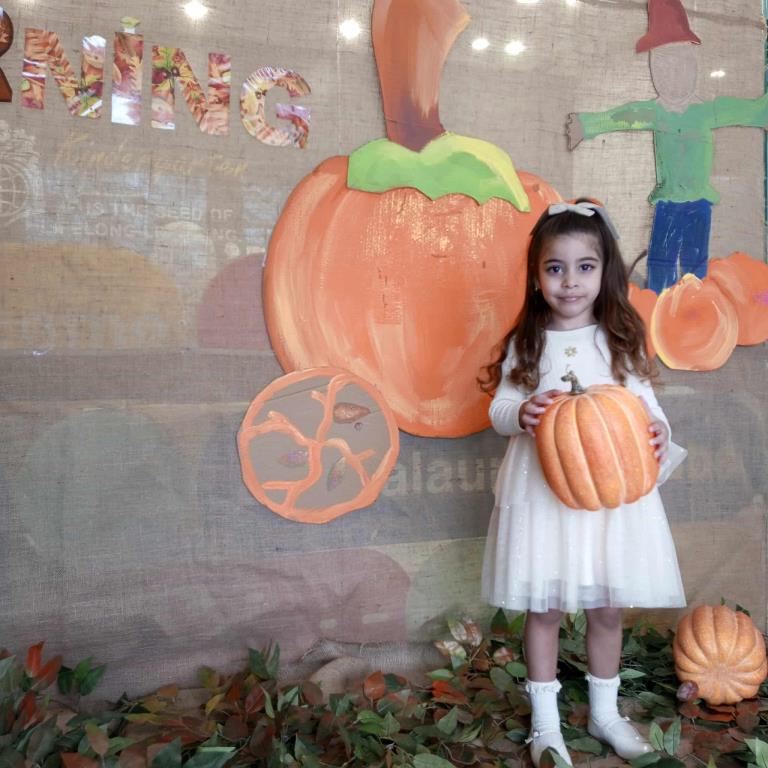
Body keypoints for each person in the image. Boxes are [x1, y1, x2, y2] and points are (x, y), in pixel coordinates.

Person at [478, 200, 686, 766]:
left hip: (606, 501)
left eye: (584, 267)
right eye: (555, 268)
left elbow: (647, 408)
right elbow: (499, 408)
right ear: (536, 277)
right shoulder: (528, 342)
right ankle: (545, 725)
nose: (570, 281)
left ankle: (605, 714)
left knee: (607, 609)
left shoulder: (619, 338)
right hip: (543, 498)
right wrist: (520, 413)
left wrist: (660, 432)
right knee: (544, 609)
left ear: (604, 271)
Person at [566, 0, 768, 294]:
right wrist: (588, 124)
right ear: (653, 67)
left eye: (680, 63)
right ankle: (659, 302)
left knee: (695, 260)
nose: (672, 75)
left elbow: (741, 111)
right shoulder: (655, 112)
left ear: (693, 64)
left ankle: (695, 305)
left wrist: (762, 112)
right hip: (667, 203)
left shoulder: (706, 112)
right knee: (661, 259)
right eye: (662, 65)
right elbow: (625, 116)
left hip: (699, 203)